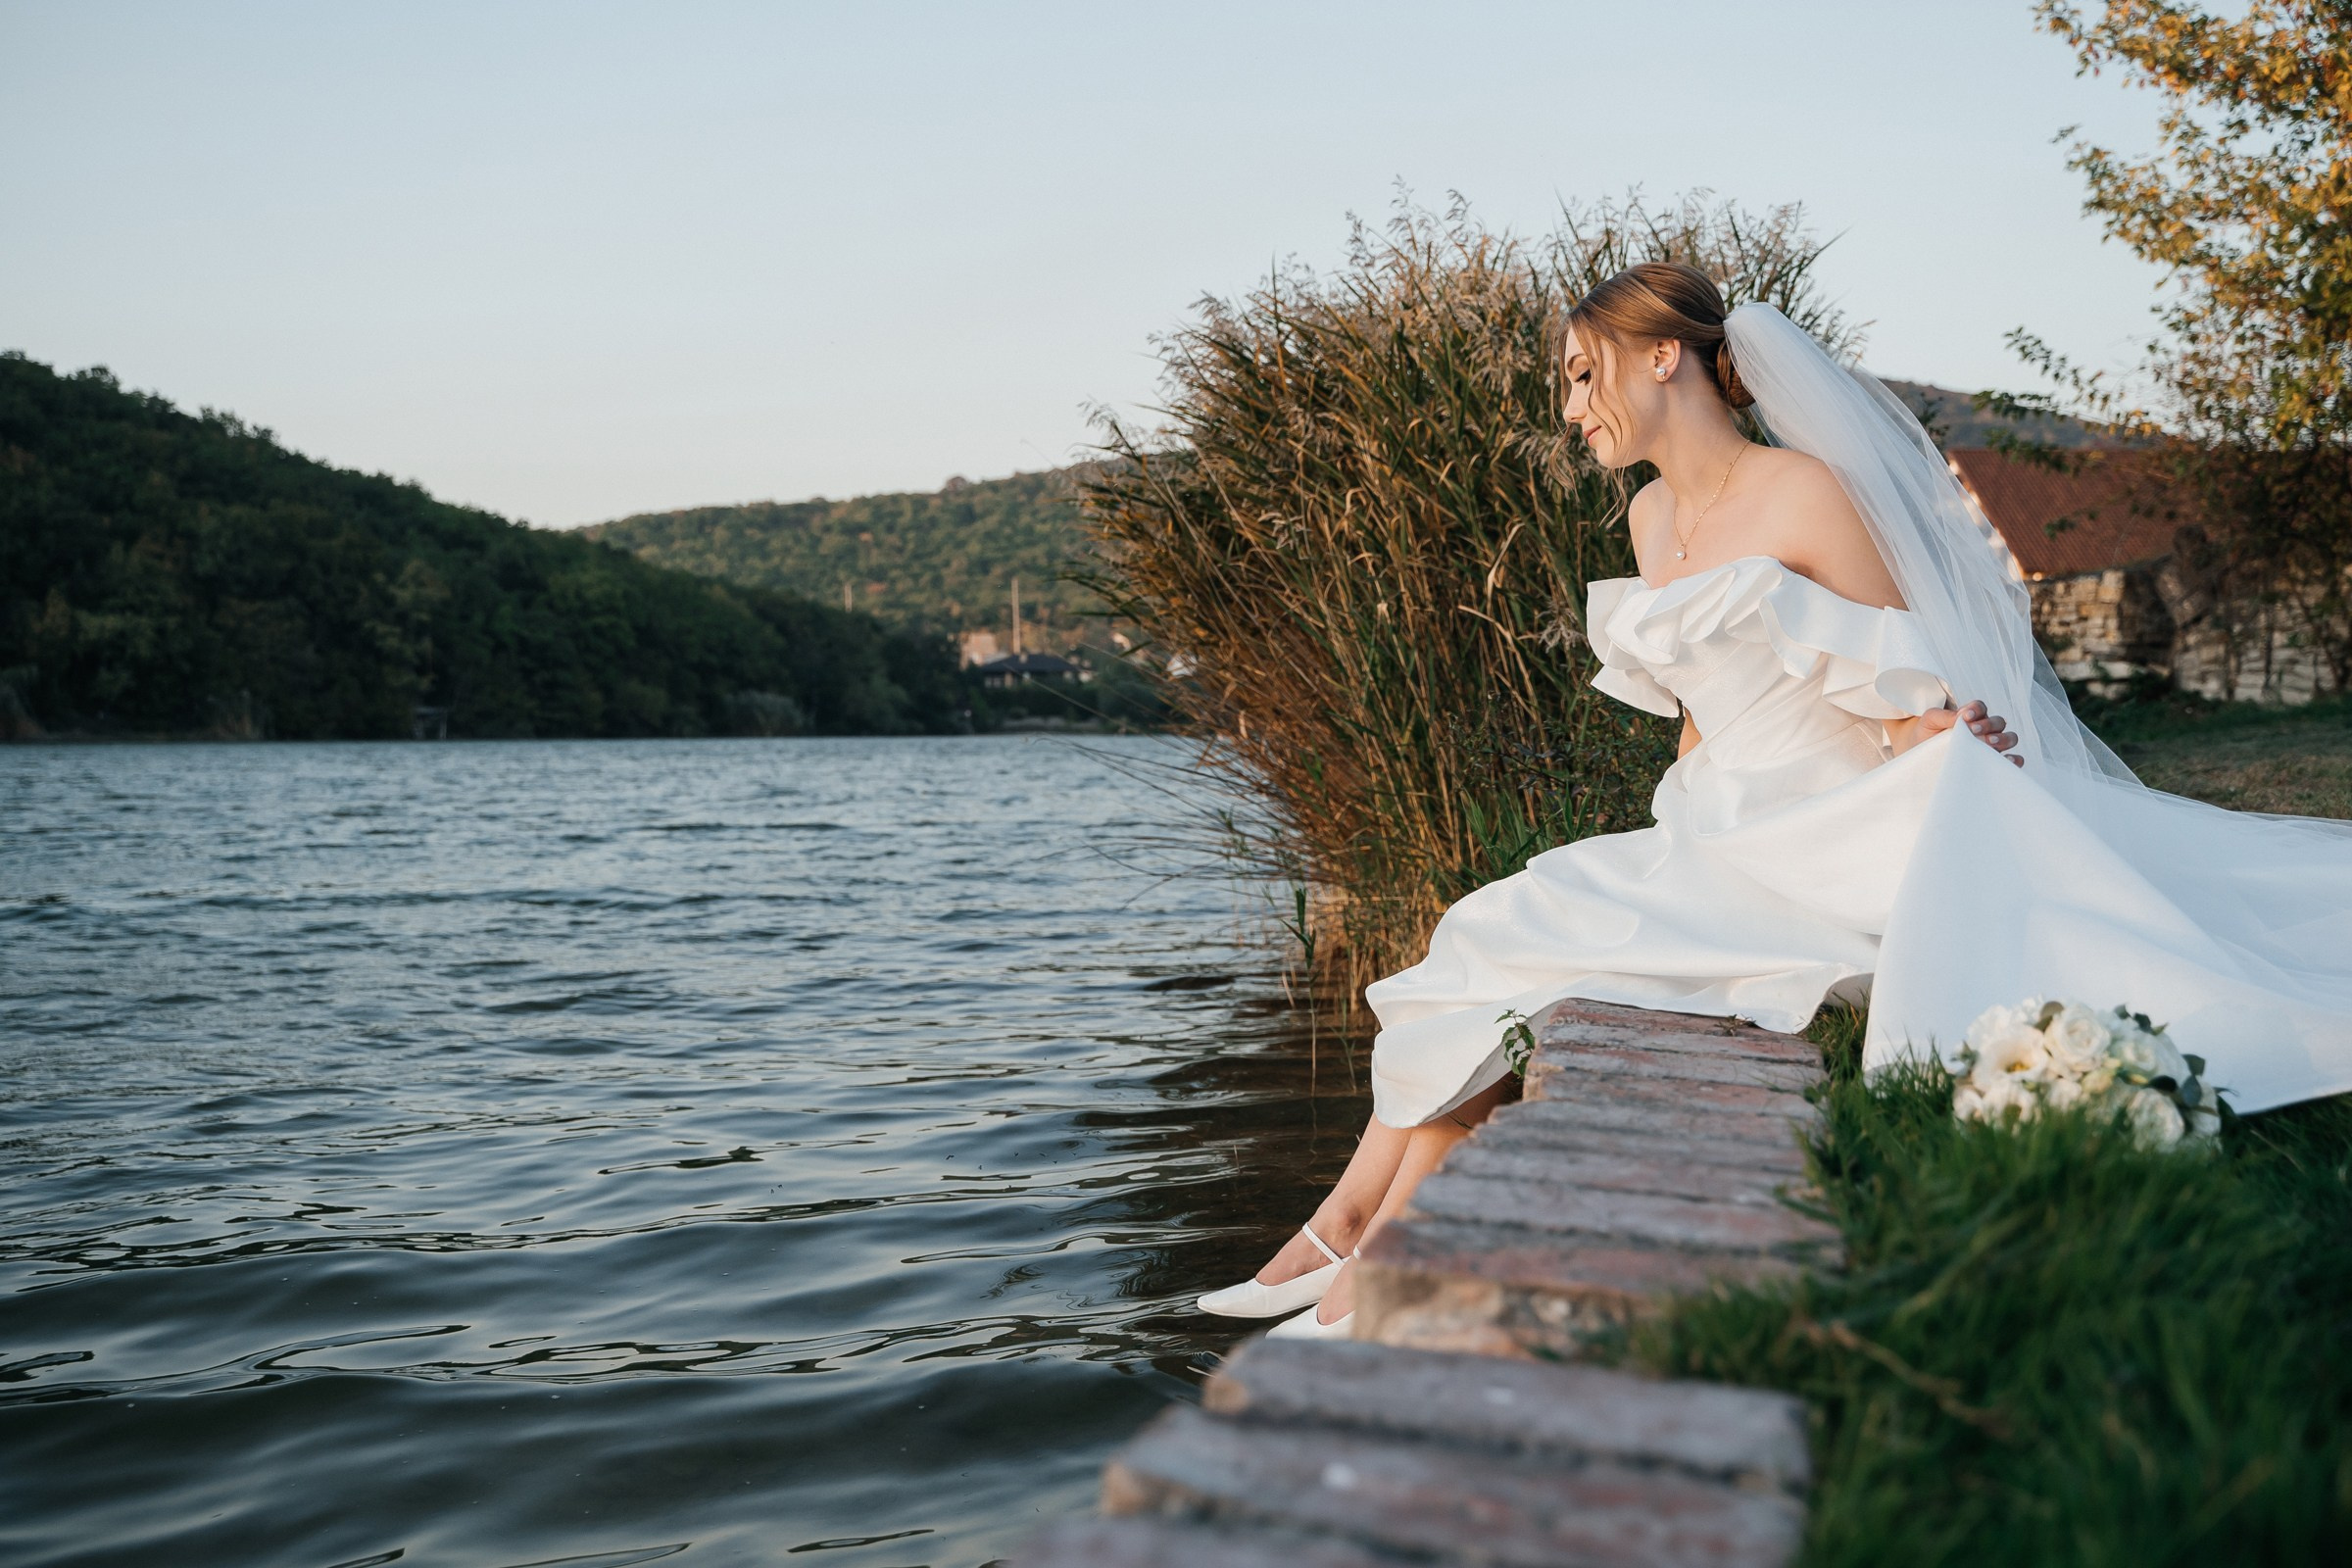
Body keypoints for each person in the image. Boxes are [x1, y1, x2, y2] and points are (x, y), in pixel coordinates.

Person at [1198, 263, 2352, 1340]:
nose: (1570, 408)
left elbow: (1898, 680)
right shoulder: (1649, 520)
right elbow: (1701, 707)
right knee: (1490, 921)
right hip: (1717, 816)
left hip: (1825, 824)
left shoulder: (1804, 492)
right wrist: (1682, 817)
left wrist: (1949, 738)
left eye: (1582, 373)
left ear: (1665, 358)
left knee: (1518, 932)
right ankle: (1351, 1223)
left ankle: (1361, 1251)